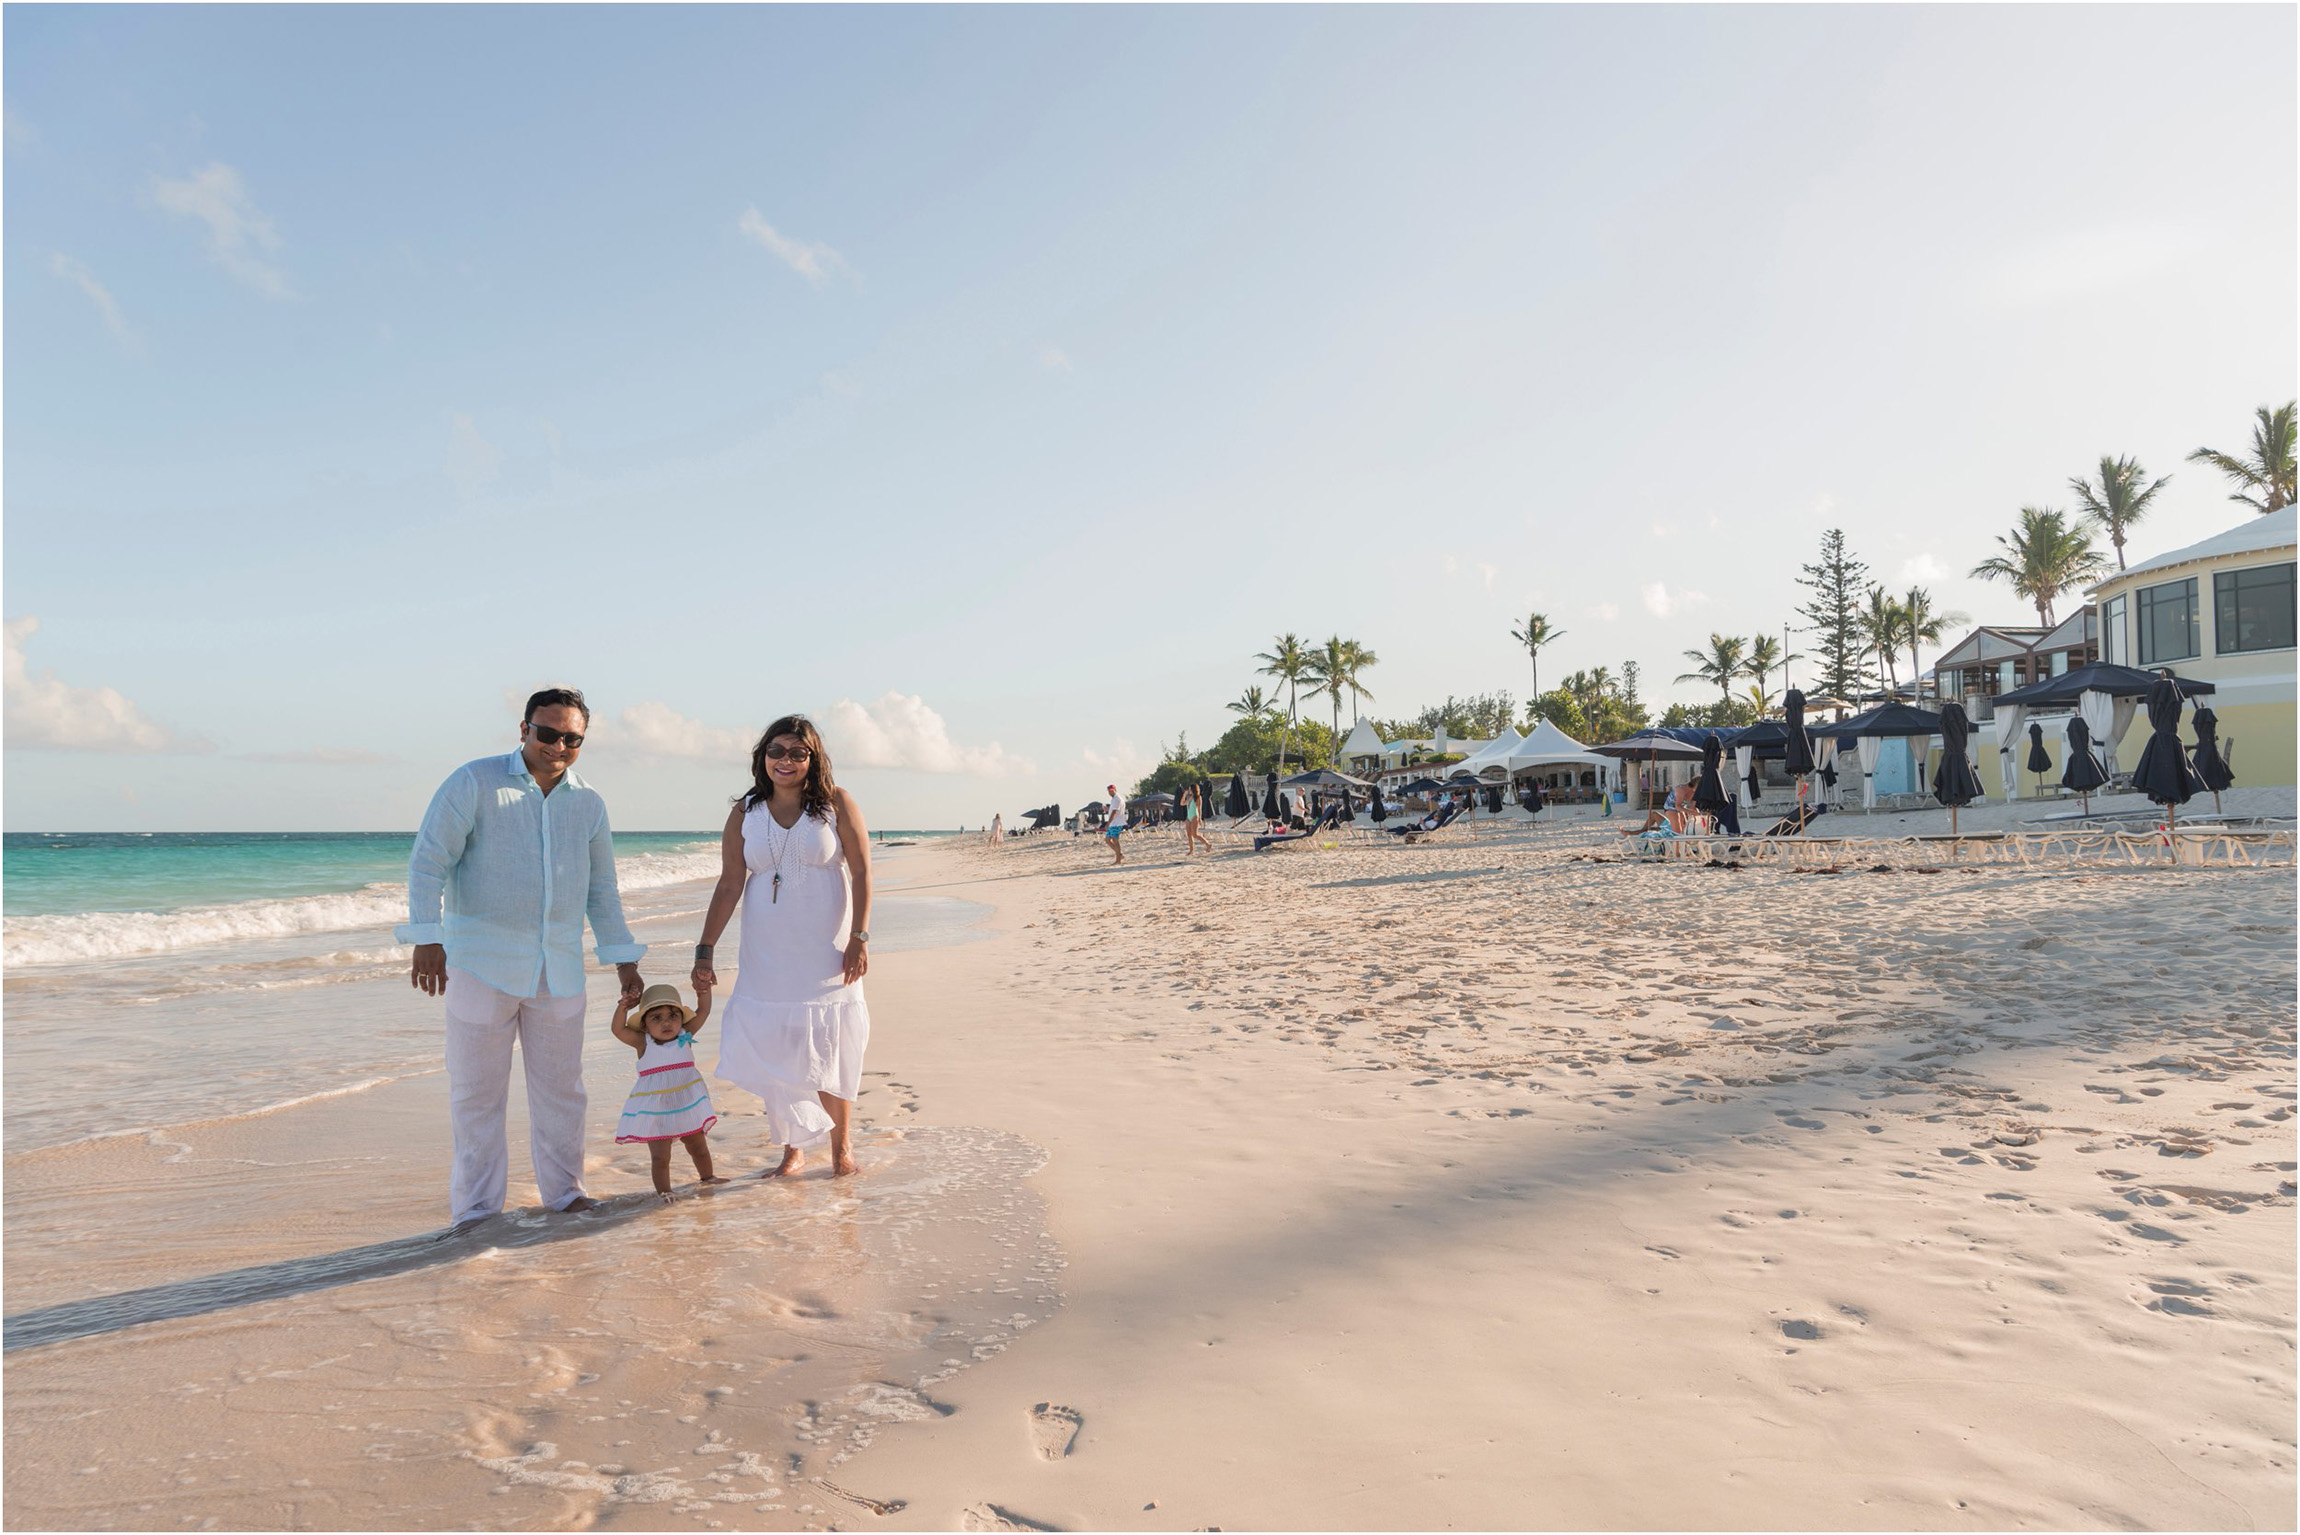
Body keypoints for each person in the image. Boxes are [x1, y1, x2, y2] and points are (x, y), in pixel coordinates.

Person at [398, 686, 646, 1228]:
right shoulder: (474, 782)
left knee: (563, 1093)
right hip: (481, 966)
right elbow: (428, 862)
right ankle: (476, 1211)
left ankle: (567, 1195)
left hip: (559, 970)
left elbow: (602, 890)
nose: (558, 745)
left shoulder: (589, 804)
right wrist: (427, 937)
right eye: (548, 733)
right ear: (524, 729)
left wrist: (622, 959)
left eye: (572, 738)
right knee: (476, 1097)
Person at [694, 715, 873, 1178]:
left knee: (829, 1044)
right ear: (763, 757)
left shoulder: (836, 804)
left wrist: (860, 937)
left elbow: (861, 872)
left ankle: (840, 1149)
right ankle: (793, 1147)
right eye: (776, 751)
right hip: (766, 950)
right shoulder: (745, 812)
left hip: (825, 947)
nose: (786, 761)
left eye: (798, 752)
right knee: (777, 1041)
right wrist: (705, 947)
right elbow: (731, 882)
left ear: (814, 759)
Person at [611, 981, 725, 1201]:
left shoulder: (685, 1035)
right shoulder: (643, 1043)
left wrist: (704, 992)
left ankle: (708, 1177)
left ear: (681, 1019)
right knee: (661, 1157)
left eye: (673, 1015)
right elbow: (618, 1030)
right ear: (644, 1025)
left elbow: (704, 1011)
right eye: (657, 1018)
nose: (667, 1022)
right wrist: (623, 1008)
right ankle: (665, 1192)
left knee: (698, 1147)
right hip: (657, 1111)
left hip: (686, 1105)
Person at [1181, 781, 1213, 855]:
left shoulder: (1198, 797)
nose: (1188, 790)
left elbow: (1199, 809)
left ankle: (1208, 844)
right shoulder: (1189, 798)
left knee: (1195, 834)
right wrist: (1184, 795)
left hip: (1195, 816)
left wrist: (1200, 819)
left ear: (1193, 789)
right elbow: (1182, 803)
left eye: (1190, 789)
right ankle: (1191, 850)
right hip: (1188, 817)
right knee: (1189, 834)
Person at [1103, 783, 1127, 864]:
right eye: (1109, 791)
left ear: (1115, 790)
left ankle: (1118, 860)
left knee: (1115, 840)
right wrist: (1107, 809)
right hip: (1113, 823)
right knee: (1107, 840)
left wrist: (1108, 823)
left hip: (1116, 823)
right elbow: (1113, 810)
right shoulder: (1114, 799)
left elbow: (1114, 812)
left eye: (1111, 791)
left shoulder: (1117, 799)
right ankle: (1119, 855)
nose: (1110, 792)